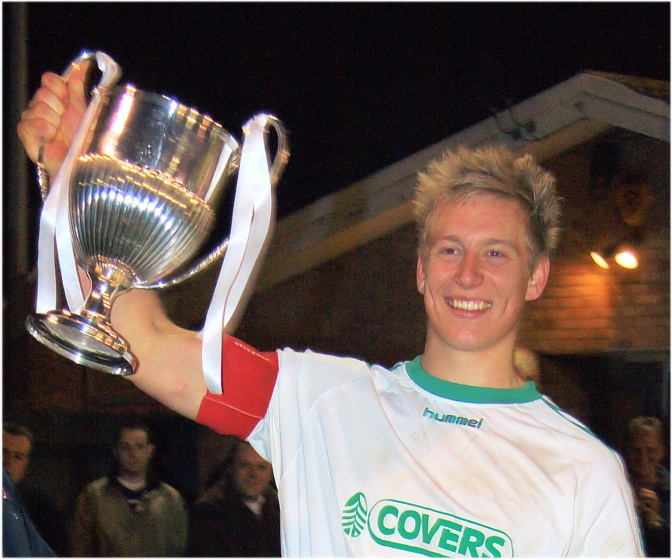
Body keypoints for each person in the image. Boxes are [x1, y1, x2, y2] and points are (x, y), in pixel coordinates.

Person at [18, 60, 644, 557]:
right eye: (449, 249)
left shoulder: (584, 473)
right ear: (421, 270)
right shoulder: (319, 401)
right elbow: (146, 343)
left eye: (497, 254)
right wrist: (69, 168)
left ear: (536, 276)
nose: (469, 274)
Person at [70, 419, 188, 556]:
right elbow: (81, 547)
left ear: (150, 450)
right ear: (116, 451)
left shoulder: (170, 499)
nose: (133, 453)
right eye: (125, 447)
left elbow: (179, 548)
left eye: (140, 446)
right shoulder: (95, 495)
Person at [188, 438, 281, 557]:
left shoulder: (280, 505)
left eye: (261, 467)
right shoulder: (208, 511)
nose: (253, 474)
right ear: (231, 468)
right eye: (245, 465)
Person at [3, 422, 69, 556]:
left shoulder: (42, 509)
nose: (8, 461)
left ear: (26, 464)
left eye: (18, 457)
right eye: (3, 452)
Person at [626, 416, 670, 557]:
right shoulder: (615, 485)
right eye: (637, 450)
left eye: (651, 450)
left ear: (663, 451)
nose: (643, 457)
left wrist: (656, 523)